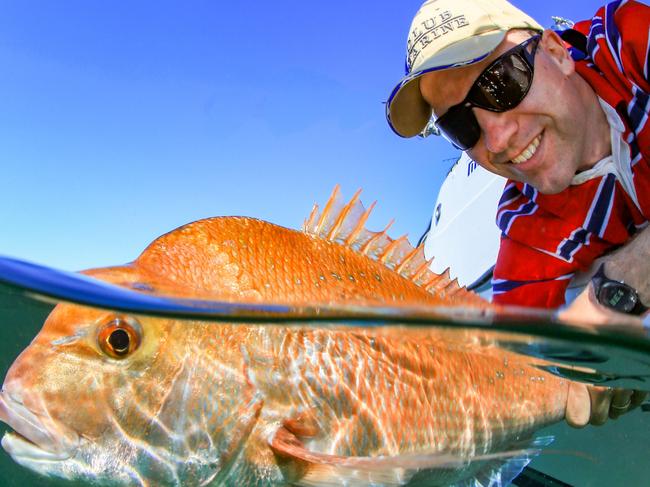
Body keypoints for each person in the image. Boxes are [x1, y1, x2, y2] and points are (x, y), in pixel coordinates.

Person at [385, 0, 649, 427]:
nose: (497, 140)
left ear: (557, 52)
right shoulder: (527, 231)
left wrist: (619, 287)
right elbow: (509, 371)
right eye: (462, 126)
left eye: (501, 82)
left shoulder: (633, 41)